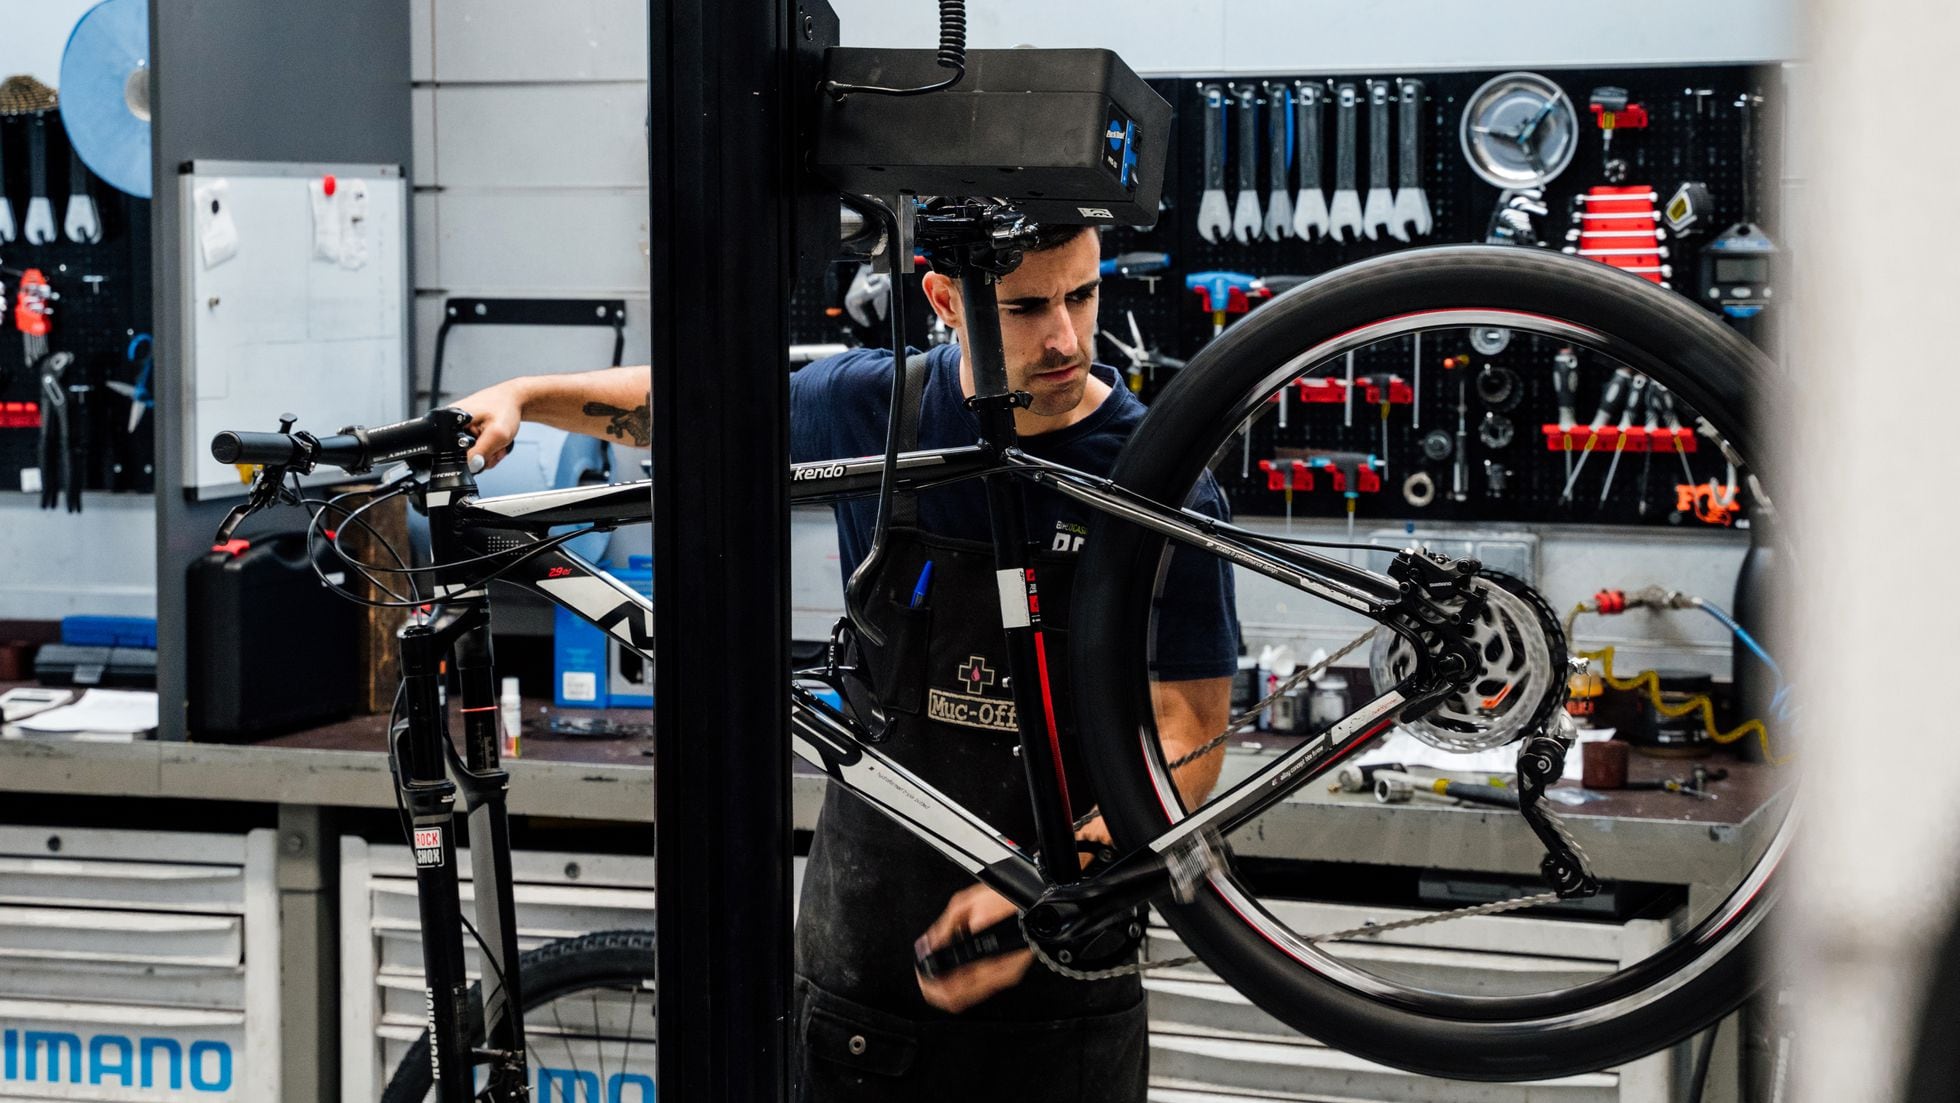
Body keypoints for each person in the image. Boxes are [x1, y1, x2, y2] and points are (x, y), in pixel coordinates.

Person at [454, 219, 1239, 1101]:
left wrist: (1050, 891)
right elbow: (694, 404)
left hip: (1061, 1007)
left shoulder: (1156, 475)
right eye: (1025, 307)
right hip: (861, 992)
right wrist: (524, 392)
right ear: (944, 298)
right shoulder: (876, 410)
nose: (1064, 337)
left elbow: (1192, 733)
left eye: (1082, 295)